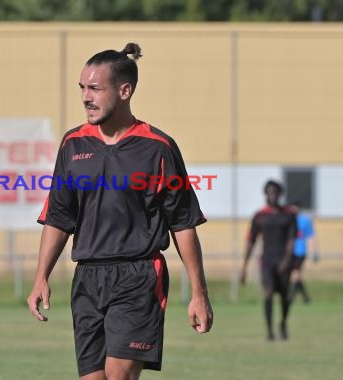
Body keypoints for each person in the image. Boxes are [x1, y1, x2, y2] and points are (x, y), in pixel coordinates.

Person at [27, 42, 213, 379]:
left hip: (138, 276)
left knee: (118, 376)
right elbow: (58, 218)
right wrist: (41, 277)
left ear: (124, 90)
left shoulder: (158, 147)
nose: (86, 97)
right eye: (82, 87)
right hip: (87, 277)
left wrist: (199, 292)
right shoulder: (73, 145)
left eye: (95, 88)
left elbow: (183, 223)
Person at [240, 180, 297, 341]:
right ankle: (270, 331)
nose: (273, 195)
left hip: (284, 259)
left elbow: (292, 240)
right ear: (265, 194)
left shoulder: (289, 215)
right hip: (267, 260)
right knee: (268, 293)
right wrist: (244, 267)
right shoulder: (259, 216)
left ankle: (283, 323)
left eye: (275, 192)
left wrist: (287, 260)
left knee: (285, 296)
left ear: (280, 194)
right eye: (270, 192)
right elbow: (251, 241)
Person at [288, 202, 318, 304]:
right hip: (289, 252)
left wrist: (313, 251)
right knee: (296, 276)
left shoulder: (304, 220)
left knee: (295, 275)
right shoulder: (287, 220)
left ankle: (291, 297)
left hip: (300, 252)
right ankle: (305, 298)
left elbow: (311, 236)